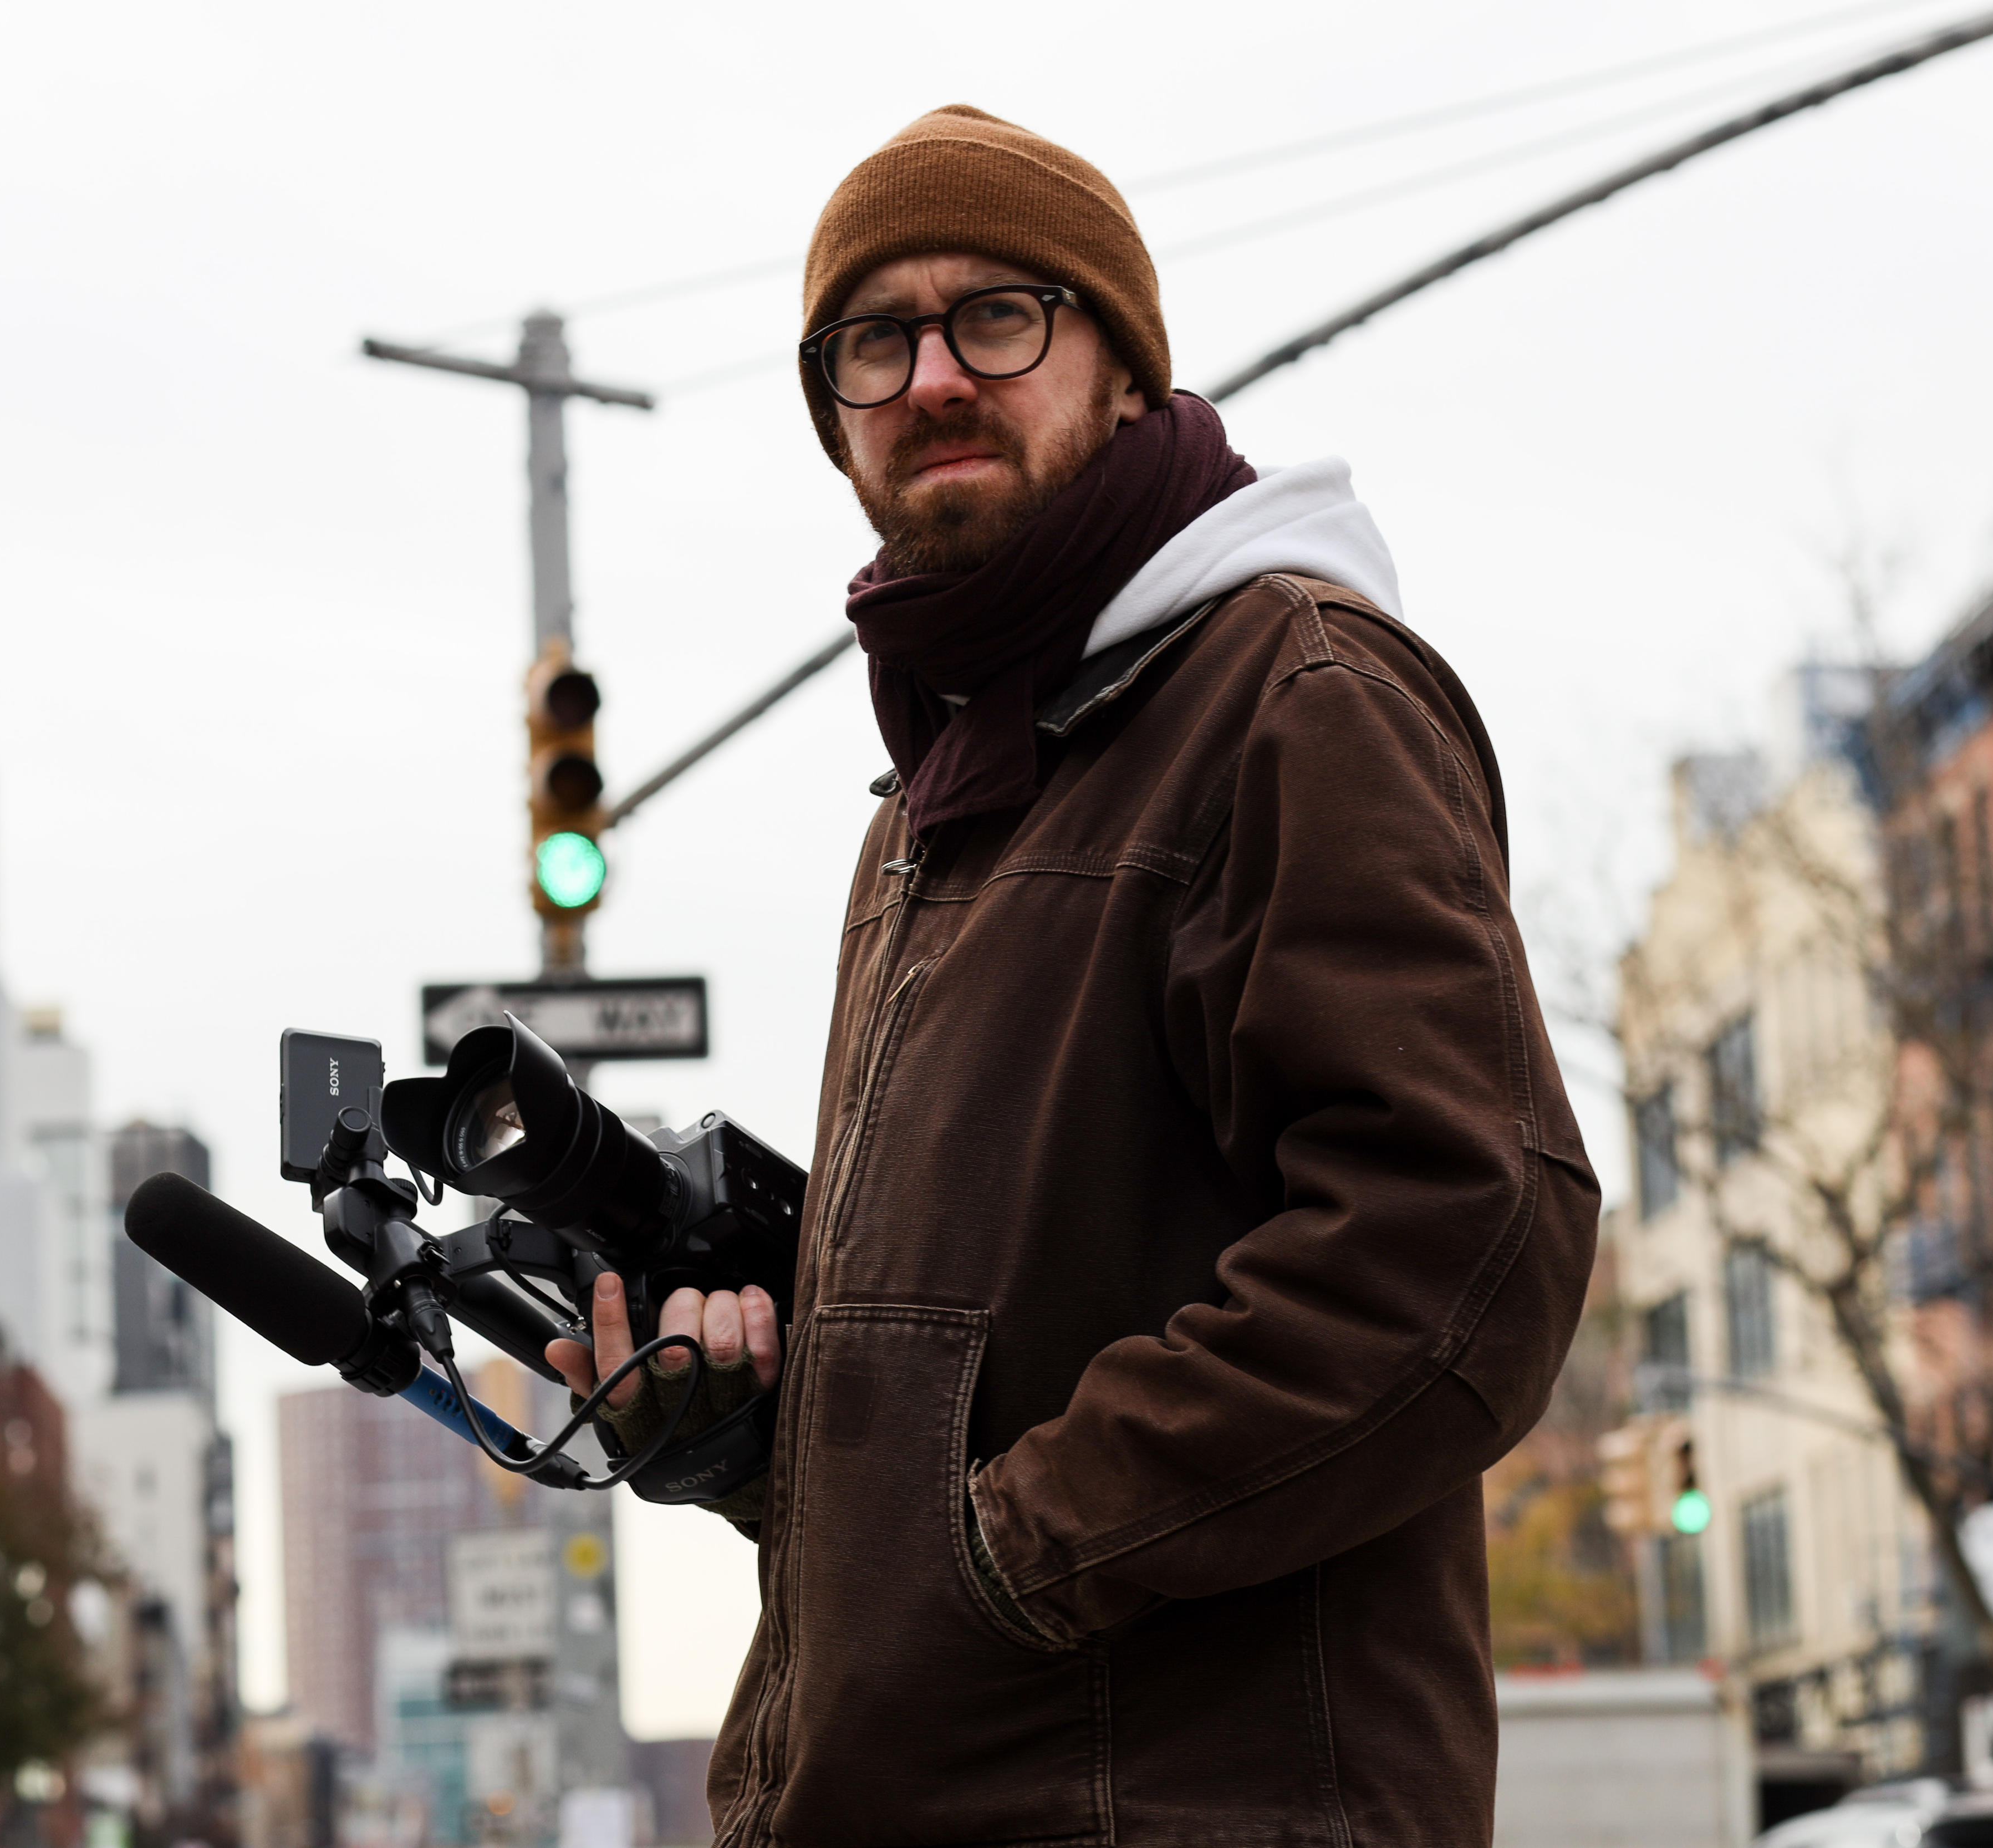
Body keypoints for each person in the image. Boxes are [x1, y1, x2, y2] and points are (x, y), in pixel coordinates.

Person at [542, 104, 1599, 1848]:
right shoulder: (937, 814)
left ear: (1121, 367)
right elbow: (985, 1377)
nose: (936, 377)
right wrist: (758, 1443)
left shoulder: (1290, 693)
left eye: (1000, 317)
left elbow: (1463, 1248)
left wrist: (1010, 1552)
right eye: (875, 344)